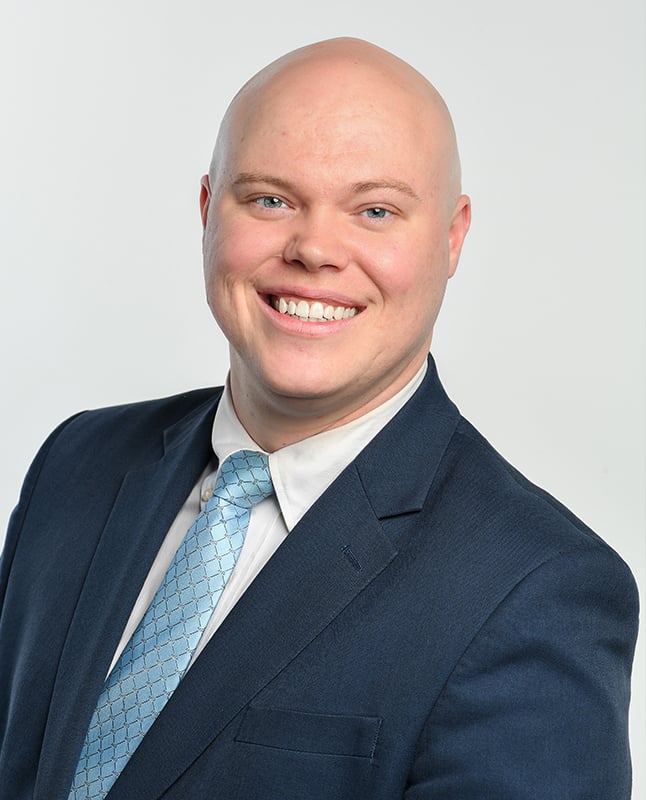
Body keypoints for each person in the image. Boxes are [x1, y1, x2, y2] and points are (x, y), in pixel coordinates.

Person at [0, 37, 638, 800]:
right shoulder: (79, 463)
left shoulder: (537, 590)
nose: (313, 249)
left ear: (452, 237)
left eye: (374, 210)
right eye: (270, 199)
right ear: (208, 211)